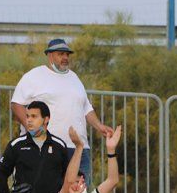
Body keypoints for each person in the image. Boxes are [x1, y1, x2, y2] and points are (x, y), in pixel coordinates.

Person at [11, 38, 113, 181]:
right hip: (48, 146)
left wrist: (99, 126)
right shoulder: (34, 76)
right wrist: (33, 130)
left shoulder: (74, 78)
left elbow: (86, 108)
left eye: (67, 54)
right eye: (60, 54)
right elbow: (16, 104)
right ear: (50, 55)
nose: (65, 58)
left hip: (79, 147)